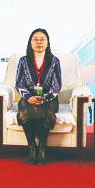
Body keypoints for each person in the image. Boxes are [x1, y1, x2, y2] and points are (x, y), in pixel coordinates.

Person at [13, 28, 62, 165]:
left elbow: (57, 85)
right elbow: (19, 83)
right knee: (24, 109)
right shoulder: (23, 61)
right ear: (30, 43)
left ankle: (42, 148)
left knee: (48, 110)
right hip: (28, 97)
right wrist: (28, 97)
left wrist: (45, 98)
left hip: (49, 98)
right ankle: (32, 147)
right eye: (35, 39)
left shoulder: (54, 61)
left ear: (48, 43)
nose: (39, 42)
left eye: (42, 39)